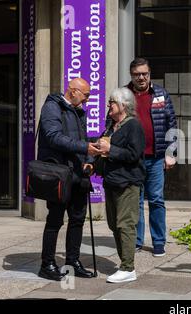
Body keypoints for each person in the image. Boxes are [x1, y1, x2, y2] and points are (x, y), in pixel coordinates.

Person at [37, 78, 101, 281]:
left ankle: (72, 260)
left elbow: (84, 139)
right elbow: (53, 137)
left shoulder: (79, 110)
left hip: (78, 175)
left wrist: (90, 160)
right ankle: (47, 264)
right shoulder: (52, 107)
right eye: (86, 95)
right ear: (73, 91)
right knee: (55, 220)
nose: (88, 99)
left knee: (78, 219)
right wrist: (84, 148)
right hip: (59, 174)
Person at [126, 57, 177, 257]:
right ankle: (137, 241)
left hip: (156, 158)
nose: (141, 77)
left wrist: (171, 153)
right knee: (135, 201)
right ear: (132, 75)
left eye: (144, 73)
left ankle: (158, 242)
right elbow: (111, 123)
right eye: (137, 74)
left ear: (149, 74)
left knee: (156, 200)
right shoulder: (123, 95)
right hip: (132, 159)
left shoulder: (161, 94)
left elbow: (171, 124)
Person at [96, 87, 146, 283]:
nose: (109, 105)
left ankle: (128, 267)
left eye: (112, 102)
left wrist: (111, 149)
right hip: (111, 181)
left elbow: (134, 155)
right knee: (113, 225)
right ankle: (124, 264)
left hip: (128, 182)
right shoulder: (111, 125)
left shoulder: (133, 126)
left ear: (123, 105)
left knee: (125, 224)